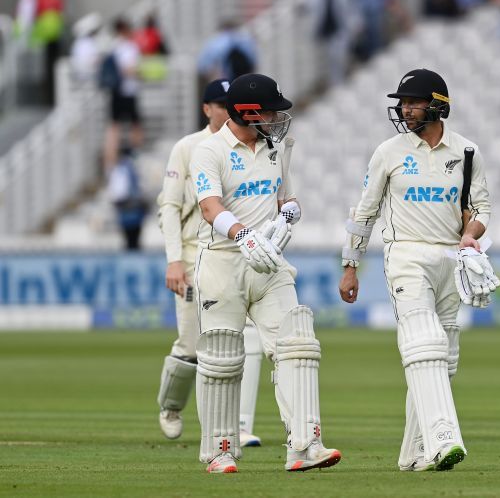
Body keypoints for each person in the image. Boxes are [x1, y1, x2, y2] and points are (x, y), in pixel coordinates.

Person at [338, 68, 498, 472]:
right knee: (424, 343)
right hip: (405, 255)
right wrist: (351, 265)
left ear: (438, 105)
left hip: (451, 258)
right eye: (403, 103)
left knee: (445, 358)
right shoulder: (388, 152)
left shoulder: (466, 152)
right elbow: (365, 213)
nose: (405, 109)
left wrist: (471, 235)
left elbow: (481, 208)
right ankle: (444, 439)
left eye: (413, 102)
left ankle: (413, 453)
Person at [190, 73, 341, 474]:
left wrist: (290, 211)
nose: (278, 117)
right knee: (223, 359)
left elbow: (284, 197)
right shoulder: (209, 150)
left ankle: (305, 445)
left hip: (270, 264)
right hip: (224, 264)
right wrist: (243, 236)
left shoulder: (274, 148)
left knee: (296, 346)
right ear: (247, 111)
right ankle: (220, 451)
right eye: (271, 110)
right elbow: (209, 206)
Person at [155, 79, 266, 448]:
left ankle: (238, 424)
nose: (225, 109)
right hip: (192, 252)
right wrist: (174, 261)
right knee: (192, 345)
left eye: (228, 103)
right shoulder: (188, 148)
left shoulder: (257, 142)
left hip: (238, 252)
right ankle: (171, 407)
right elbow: (169, 207)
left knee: (241, 339)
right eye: (218, 104)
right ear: (207, 109)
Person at [103, 18, 144, 175]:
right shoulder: (129, 47)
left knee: (114, 126)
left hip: (115, 92)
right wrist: (141, 72)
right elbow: (128, 69)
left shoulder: (112, 46)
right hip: (127, 91)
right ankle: (135, 157)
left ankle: (110, 164)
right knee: (135, 124)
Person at [107, 146, 147, 250]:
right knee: (133, 241)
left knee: (130, 241)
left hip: (127, 210)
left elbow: (116, 193)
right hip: (131, 209)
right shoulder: (128, 167)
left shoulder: (120, 168)